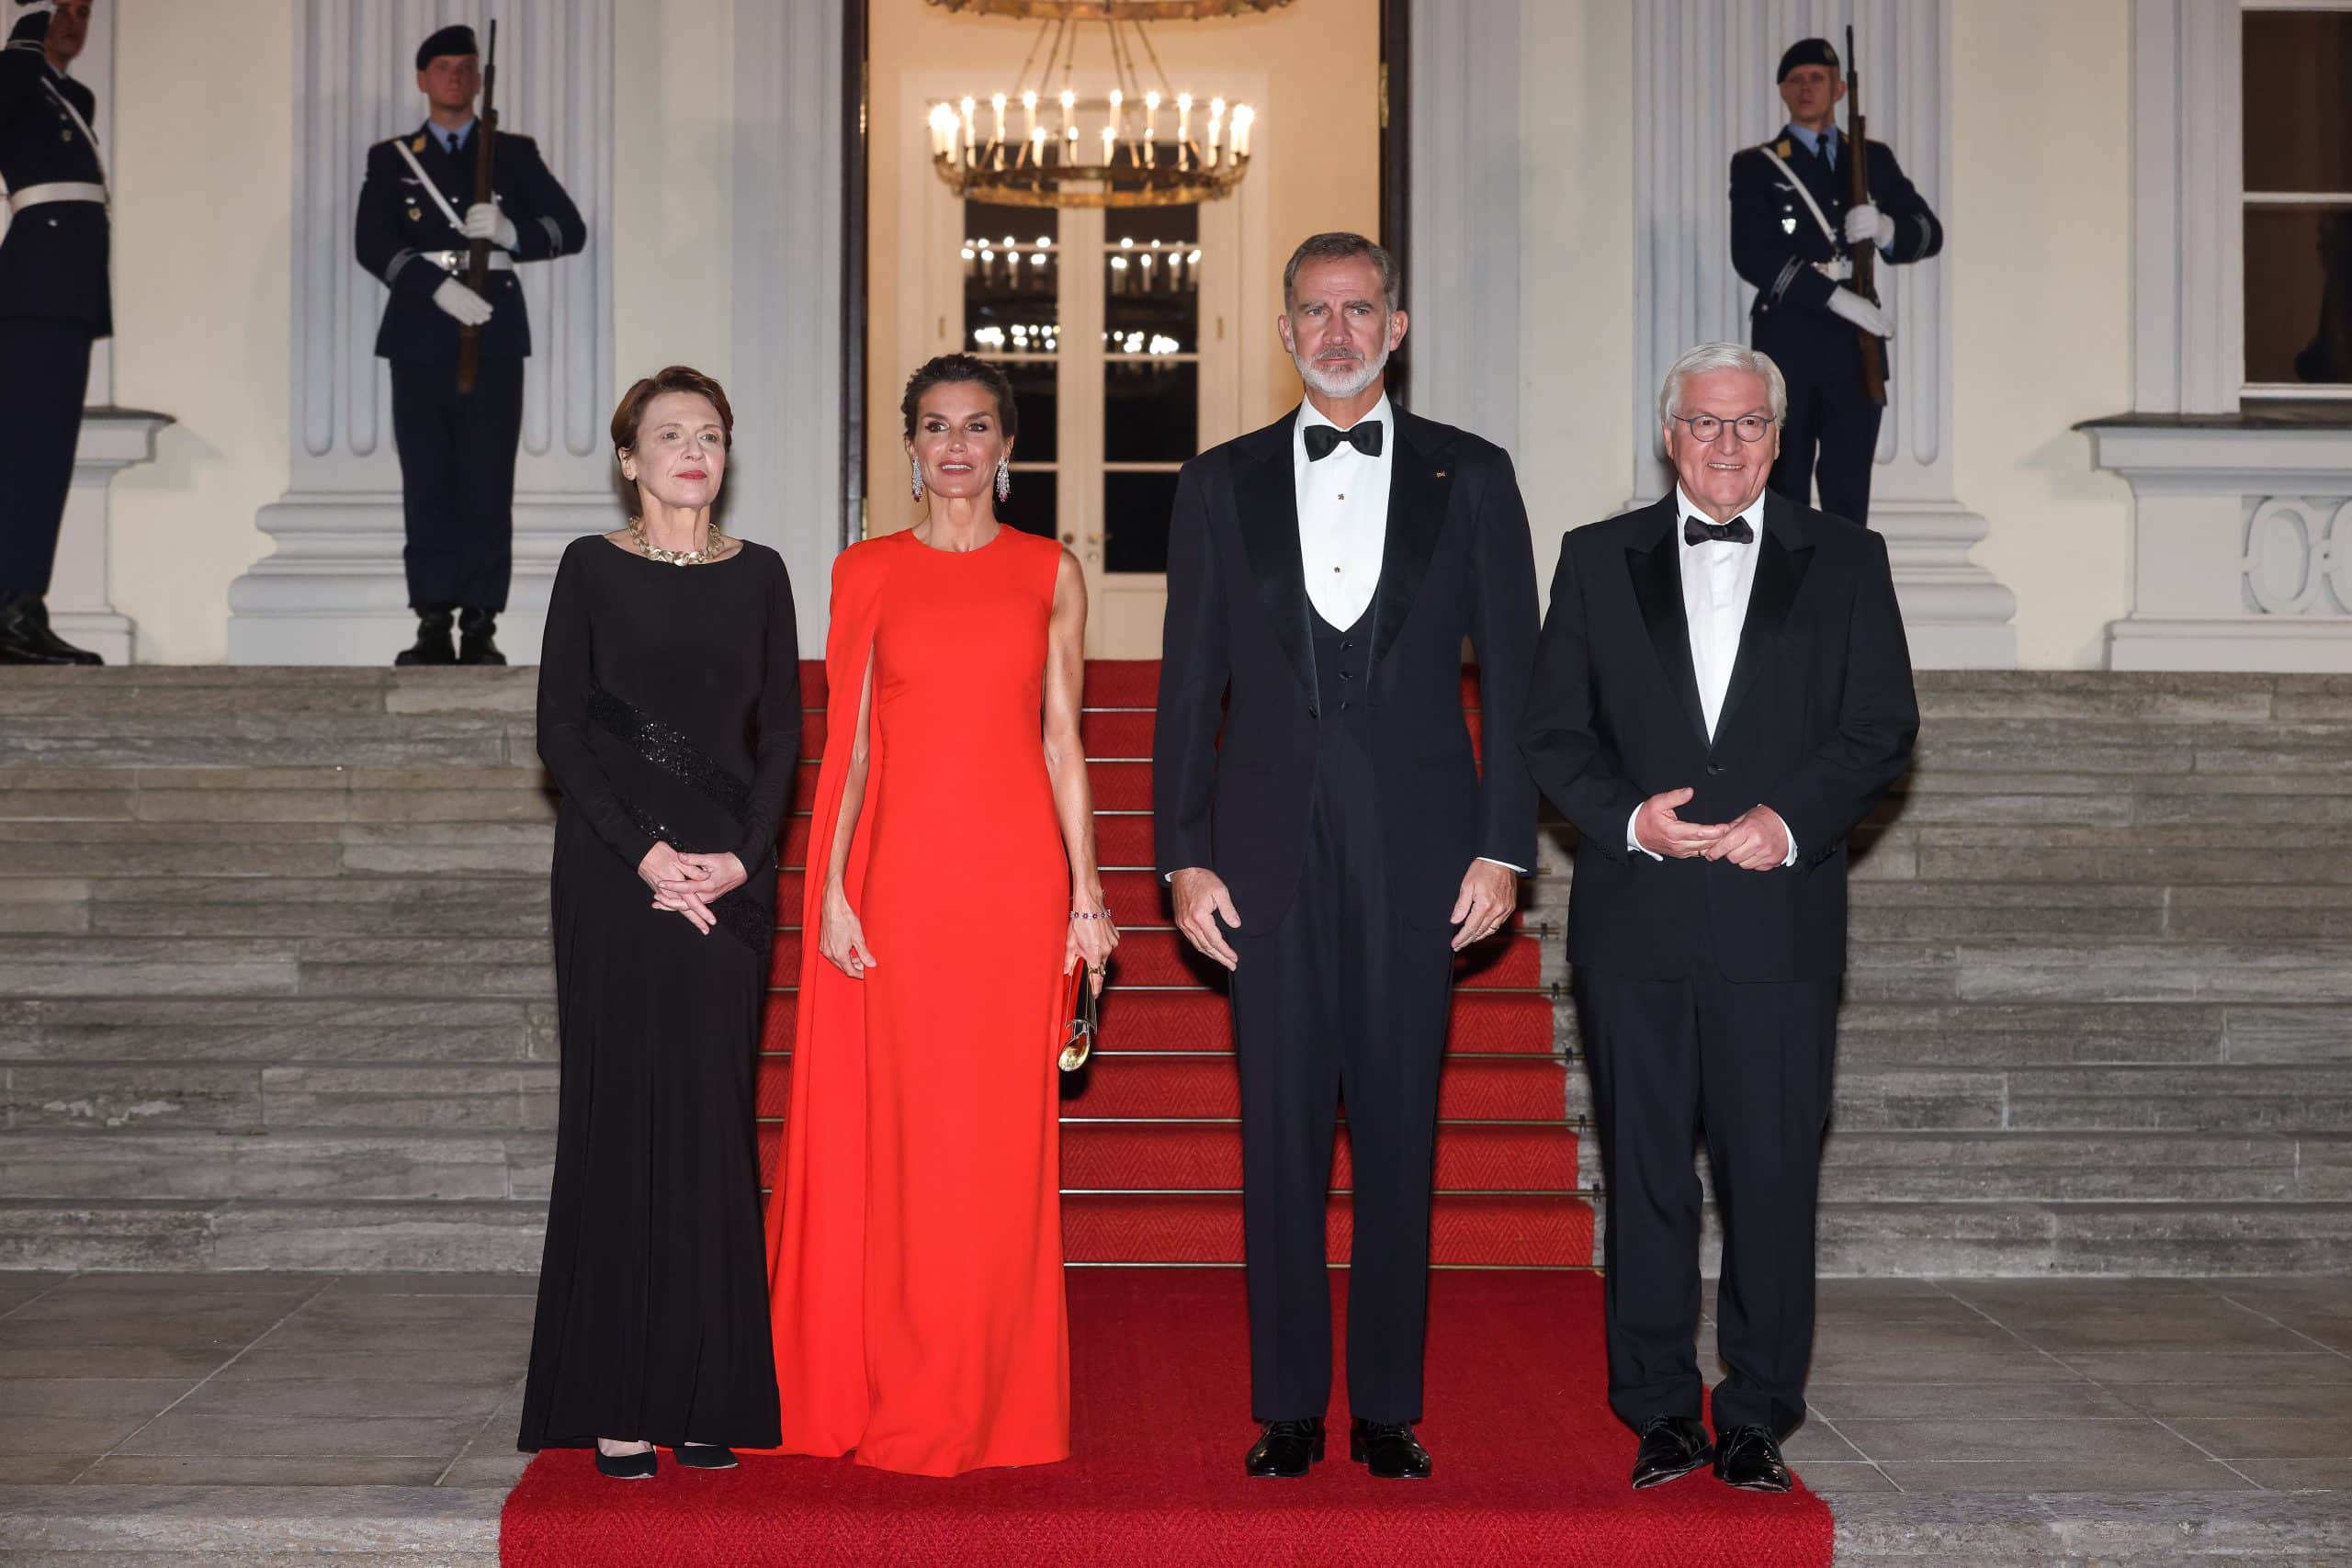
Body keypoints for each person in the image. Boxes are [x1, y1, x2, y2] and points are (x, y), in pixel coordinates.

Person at [1153, 232, 1540, 1483]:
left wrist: (1505, 847)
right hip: (1262, 853)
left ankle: (1384, 1404)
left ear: (1396, 326)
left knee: (1398, 1135)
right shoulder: (1216, 483)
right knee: (1276, 1139)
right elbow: (1187, 684)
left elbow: (1518, 681)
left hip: (1423, 851)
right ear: (1284, 331)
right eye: (1315, 312)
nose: (1336, 331)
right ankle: (1285, 1404)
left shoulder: (1473, 475)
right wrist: (1182, 855)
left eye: (1358, 309)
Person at [1519, 343, 1917, 1494]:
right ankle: (1655, 1408)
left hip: (1777, 923)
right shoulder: (1594, 558)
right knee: (1645, 1177)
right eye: (1704, 422)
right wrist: (1627, 819)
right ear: (1669, 436)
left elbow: (1881, 725)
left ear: (1778, 439)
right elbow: (1552, 731)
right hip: (1635, 924)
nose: (1726, 444)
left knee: (1771, 1178)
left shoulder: (1847, 558)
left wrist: (1788, 822)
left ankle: (1756, 1412)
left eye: (1748, 424)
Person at [764, 354, 1112, 1477]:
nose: (954, 445)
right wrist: (830, 890)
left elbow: (1062, 742)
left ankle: (994, 1396)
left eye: (975, 426)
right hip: (903, 885)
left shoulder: (1048, 570)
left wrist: (1088, 895)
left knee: (999, 1150)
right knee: (911, 1144)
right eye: (933, 426)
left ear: (1006, 446)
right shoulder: (866, 570)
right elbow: (852, 747)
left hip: (1014, 889)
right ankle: (902, 1382)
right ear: (910, 448)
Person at [518, 367, 796, 1480]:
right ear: (630, 460)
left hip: (729, 882)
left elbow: (782, 736)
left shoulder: (762, 574)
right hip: (612, 876)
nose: (693, 450)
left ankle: (702, 1391)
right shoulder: (589, 568)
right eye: (669, 434)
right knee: (618, 1120)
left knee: (708, 1127)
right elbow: (562, 727)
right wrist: (642, 851)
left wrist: (742, 858)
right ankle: (618, 1399)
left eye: (710, 434)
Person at [355, 22, 585, 667]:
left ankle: (480, 622)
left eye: (465, 67)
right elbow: (372, 241)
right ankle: (433, 620)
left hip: (494, 333)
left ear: (479, 79)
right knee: (426, 480)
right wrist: (434, 287)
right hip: (420, 334)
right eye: (443, 67)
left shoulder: (511, 152)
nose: (455, 77)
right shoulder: (393, 158)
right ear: (422, 79)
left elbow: (569, 229)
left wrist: (513, 234)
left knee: (487, 480)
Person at [1730, 36, 1942, 528]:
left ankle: (1847, 581)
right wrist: (1832, 297)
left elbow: (1929, 233)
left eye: (1817, 78)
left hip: (1854, 346)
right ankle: (1785, 582)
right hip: (1789, 340)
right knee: (1784, 488)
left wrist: (1887, 229)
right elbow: (1753, 255)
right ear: (1782, 90)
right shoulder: (1758, 165)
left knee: (1849, 489)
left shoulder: (1871, 158)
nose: (1806, 88)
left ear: (1839, 89)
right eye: (1796, 80)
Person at [0, 0, 106, 665]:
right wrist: (24, 34)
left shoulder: (75, 96)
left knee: (48, 457)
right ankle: (9, 610)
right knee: (27, 454)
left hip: (69, 290)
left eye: (84, 11)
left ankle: (23, 605)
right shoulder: (14, 77)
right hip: (35, 289)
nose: (74, 21)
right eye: (61, 8)